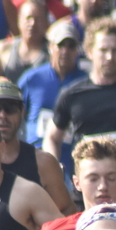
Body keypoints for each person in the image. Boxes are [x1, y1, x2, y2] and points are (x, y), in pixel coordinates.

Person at [44, 18, 116, 164]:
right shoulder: (72, 94)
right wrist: (55, 166)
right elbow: (52, 137)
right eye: (103, 50)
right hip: (87, 180)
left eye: (115, 50)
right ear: (90, 52)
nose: (109, 57)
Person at [0, 77, 72, 215]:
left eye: (10, 108)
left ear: (22, 111)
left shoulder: (43, 163)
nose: (3, 115)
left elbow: (66, 212)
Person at [18, 19, 83, 161]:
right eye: (60, 45)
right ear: (50, 47)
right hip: (34, 155)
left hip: (73, 157)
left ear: (78, 50)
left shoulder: (85, 81)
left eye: (71, 46)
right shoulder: (31, 78)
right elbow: (16, 113)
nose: (65, 51)